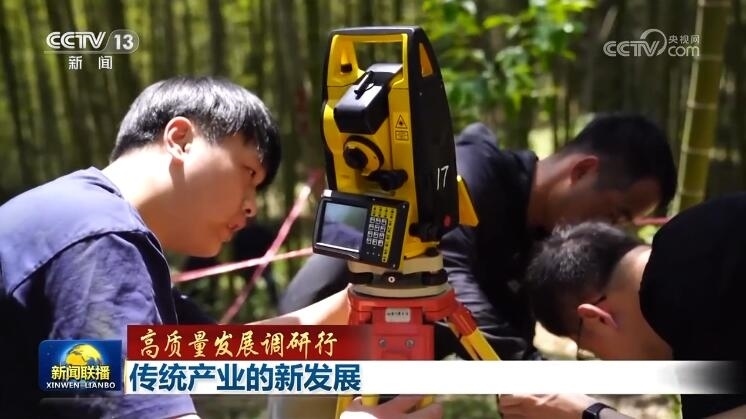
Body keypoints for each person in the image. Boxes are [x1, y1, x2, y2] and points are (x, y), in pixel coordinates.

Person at [0, 76, 439, 419]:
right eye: (249, 173)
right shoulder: (102, 239)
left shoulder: (79, 215)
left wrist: (358, 297)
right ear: (180, 139)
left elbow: (226, 352)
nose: (252, 207)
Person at [279, 113, 678, 361]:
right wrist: (526, 371)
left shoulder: (533, 242)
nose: (609, 230)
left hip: (388, 362)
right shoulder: (466, 169)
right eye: (615, 214)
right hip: (316, 340)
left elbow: (510, 336)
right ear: (583, 170)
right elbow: (442, 275)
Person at [504, 198, 746, 419]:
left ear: (597, 318)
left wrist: (585, 412)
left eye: (591, 352)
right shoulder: (701, 233)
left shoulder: (681, 297)